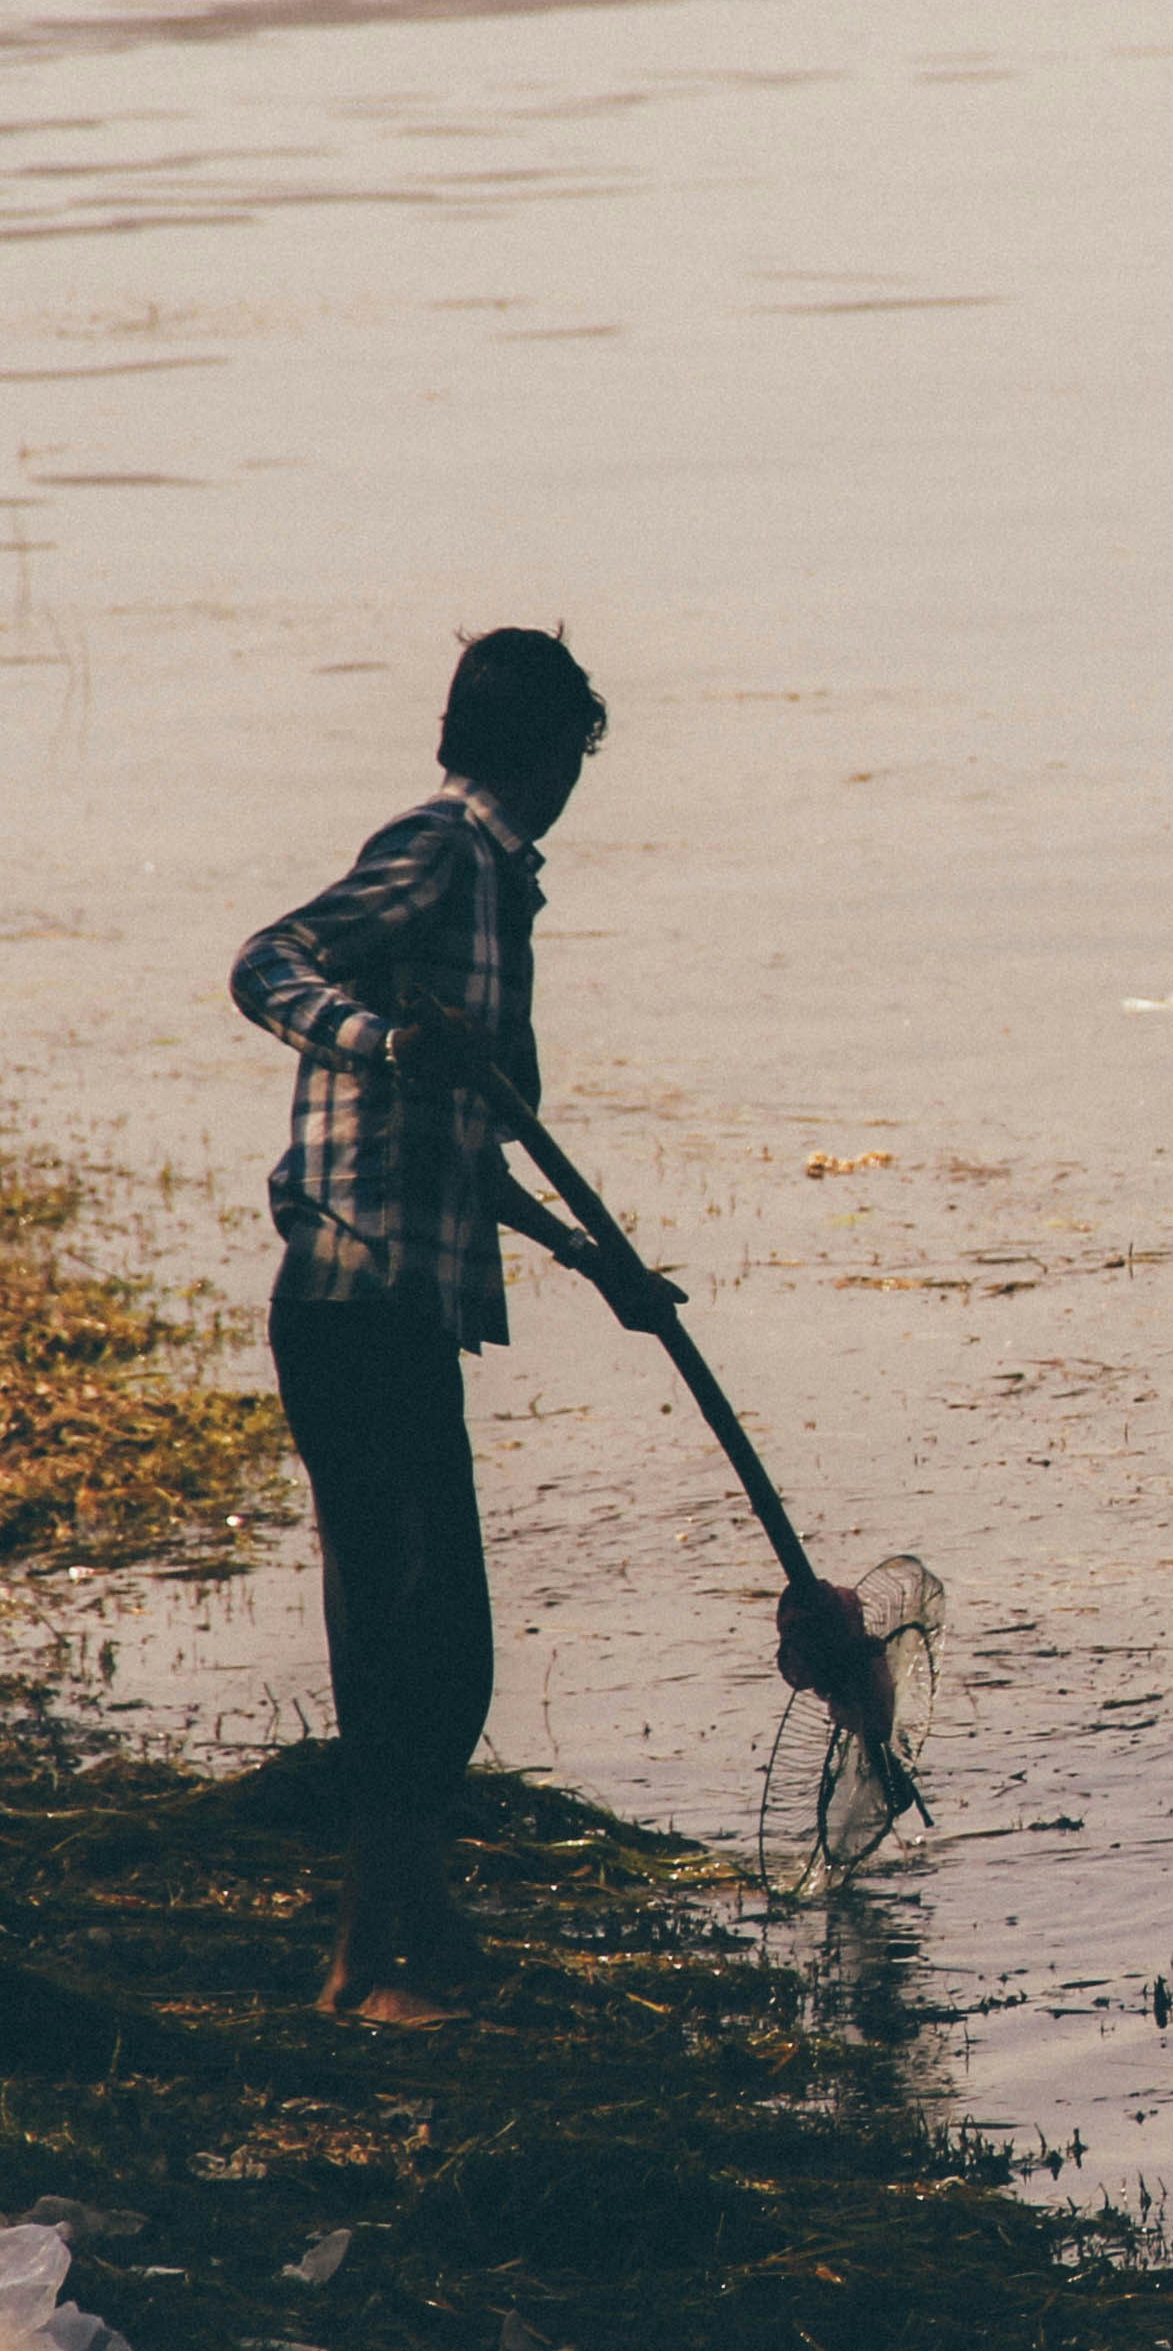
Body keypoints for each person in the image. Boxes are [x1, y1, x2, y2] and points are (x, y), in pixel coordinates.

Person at [228, 625, 674, 2023]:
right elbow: (268, 964)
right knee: (406, 1632)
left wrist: (593, 1261)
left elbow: (472, 1147)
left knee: (444, 1635)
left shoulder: (498, 894)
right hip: (350, 1294)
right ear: (553, 750)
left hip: (409, 1300)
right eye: (577, 754)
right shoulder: (441, 855)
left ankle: (424, 1926)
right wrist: (386, 1042)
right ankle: (363, 1966)